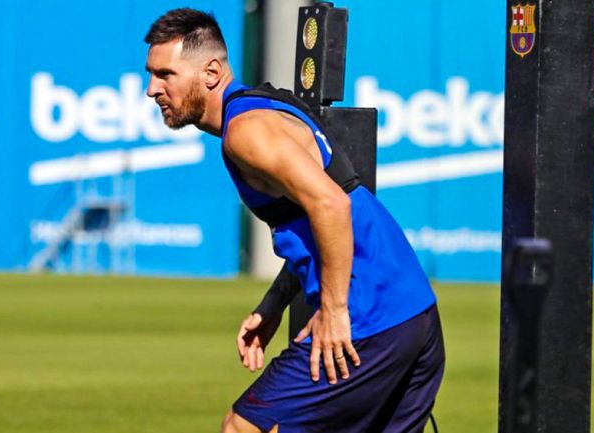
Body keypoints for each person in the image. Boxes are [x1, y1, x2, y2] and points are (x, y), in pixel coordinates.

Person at [144, 8, 445, 433]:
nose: (152, 88)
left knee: (242, 427)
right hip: (414, 313)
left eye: (164, 74)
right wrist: (273, 306)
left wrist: (335, 309)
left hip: (366, 318)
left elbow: (332, 206)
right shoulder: (267, 105)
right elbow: (317, 220)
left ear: (211, 71)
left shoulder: (245, 132)